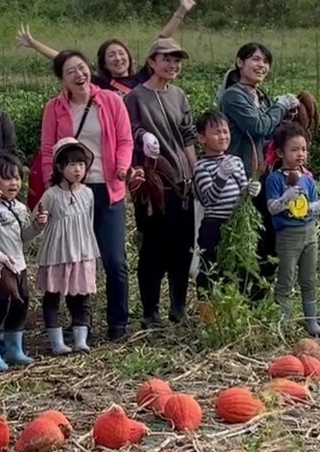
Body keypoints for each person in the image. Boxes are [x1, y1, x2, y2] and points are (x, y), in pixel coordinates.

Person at [30, 50, 138, 341]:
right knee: (75, 257)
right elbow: (48, 148)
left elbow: (125, 140)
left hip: (108, 187)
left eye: (81, 67)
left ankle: (118, 324)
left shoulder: (111, 100)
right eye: (71, 72)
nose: (79, 75)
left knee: (114, 259)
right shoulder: (55, 108)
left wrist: (122, 168)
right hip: (72, 192)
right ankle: (81, 325)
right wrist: (53, 186)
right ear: (62, 80)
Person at [218, 42, 304, 298]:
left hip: (263, 177)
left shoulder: (260, 96)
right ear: (239, 63)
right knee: (242, 240)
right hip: (241, 179)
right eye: (255, 59)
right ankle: (235, 296)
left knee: (267, 240)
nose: (261, 66)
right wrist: (280, 106)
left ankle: (258, 298)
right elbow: (258, 126)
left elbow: (270, 132)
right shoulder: (233, 96)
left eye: (265, 62)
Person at [125, 39, 197, 328]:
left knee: (182, 248)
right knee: (153, 249)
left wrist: (195, 172)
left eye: (177, 60)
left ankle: (178, 306)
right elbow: (127, 132)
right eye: (166, 59)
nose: (172, 65)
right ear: (151, 62)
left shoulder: (179, 95)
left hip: (181, 184)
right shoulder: (136, 97)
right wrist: (142, 135)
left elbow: (188, 136)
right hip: (154, 186)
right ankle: (150, 310)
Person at [15, 0, 197, 95]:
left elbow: (162, 41)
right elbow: (65, 59)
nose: (118, 58)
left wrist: (181, 11)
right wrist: (34, 44)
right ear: (104, 63)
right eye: (111, 55)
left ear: (129, 57)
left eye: (121, 53)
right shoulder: (100, 83)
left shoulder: (142, 77)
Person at [264, 123, 320, 337]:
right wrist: (285, 199)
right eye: (294, 150)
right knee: (285, 280)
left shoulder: (308, 179)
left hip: (309, 233)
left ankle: (312, 322)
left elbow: (311, 208)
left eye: (303, 149)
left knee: (309, 279)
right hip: (288, 236)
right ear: (280, 153)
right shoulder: (274, 179)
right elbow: (272, 208)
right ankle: (284, 324)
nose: (300, 154)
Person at [36, 138, 100, 354]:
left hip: (82, 253)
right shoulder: (51, 195)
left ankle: (80, 340)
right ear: (59, 167)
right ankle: (57, 343)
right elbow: (35, 220)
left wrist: (90, 250)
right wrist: (39, 222)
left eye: (81, 164)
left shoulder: (88, 194)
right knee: (52, 296)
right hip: (57, 254)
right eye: (72, 164)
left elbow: (89, 222)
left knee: (81, 296)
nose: (78, 169)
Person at [0, 155, 36, 370]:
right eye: (7, 178)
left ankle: (15, 349)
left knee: (21, 303)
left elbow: (25, 236)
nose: (13, 183)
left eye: (17, 178)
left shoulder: (21, 208)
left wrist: (38, 226)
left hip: (19, 264)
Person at [191, 111, 250, 290]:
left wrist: (251, 190)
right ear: (202, 138)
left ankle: (231, 300)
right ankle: (206, 303)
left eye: (225, 131)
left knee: (234, 267)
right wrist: (221, 176)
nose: (223, 136)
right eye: (216, 132)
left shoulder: (236, 161)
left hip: (235, 223)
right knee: (210, 267)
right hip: (213, 224)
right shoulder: (201, 167)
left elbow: (243, 191)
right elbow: (209, 199)